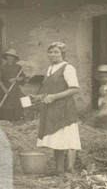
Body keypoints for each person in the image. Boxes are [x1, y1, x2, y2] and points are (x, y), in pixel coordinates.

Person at [35, 41, 81, 178]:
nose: (53, 55)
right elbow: (48, 89)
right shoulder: (49, 69)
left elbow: (74, 89)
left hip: (65, 107)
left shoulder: (68, 68)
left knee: (69, 137)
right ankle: (59, 169)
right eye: (50, 52)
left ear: (62, 53)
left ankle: (70, 168)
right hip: (52, 108)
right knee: (57, 138)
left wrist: (55, 97)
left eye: (56, 52)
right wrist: (38, 97)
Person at [0, 49, 26, 121]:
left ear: (14, 58)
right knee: (3, 104)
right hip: (4, 89)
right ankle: (4, 121)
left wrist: (15, 79)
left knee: (16, 104)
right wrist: (4, 89)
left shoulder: (18, 67)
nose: (10, 58)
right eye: (8, 56)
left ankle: (15, 121)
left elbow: (23, 77)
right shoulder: (2, 67)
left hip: (14, 89)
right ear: (6, 57)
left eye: (12, 56)